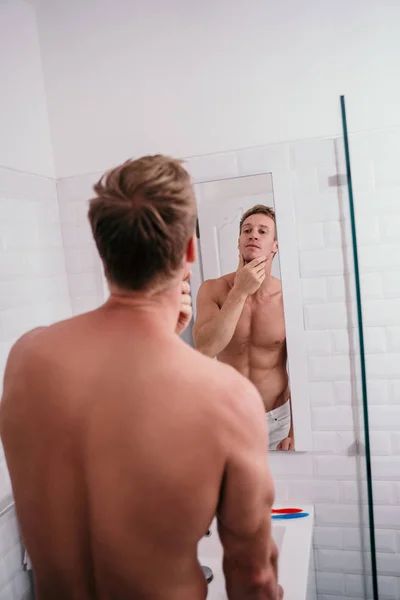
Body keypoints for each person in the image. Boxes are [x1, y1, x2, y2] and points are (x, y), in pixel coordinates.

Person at [0, 157, 282, 600]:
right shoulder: (227, 398)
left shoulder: (26, 359)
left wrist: (164, 338)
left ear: (101, 246)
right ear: (190, 250)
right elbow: (254, 579)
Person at [193, 205, 293, 451]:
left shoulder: (288, 297)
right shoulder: (213, 289)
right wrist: (240, 291)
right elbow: (205, 348)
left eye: (262, 231)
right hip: (229, 418)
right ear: (239, 243)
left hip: (278, 420)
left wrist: (295, 430)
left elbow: (303, 369)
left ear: (275, 247)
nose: (253, 235)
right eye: (247, 230)